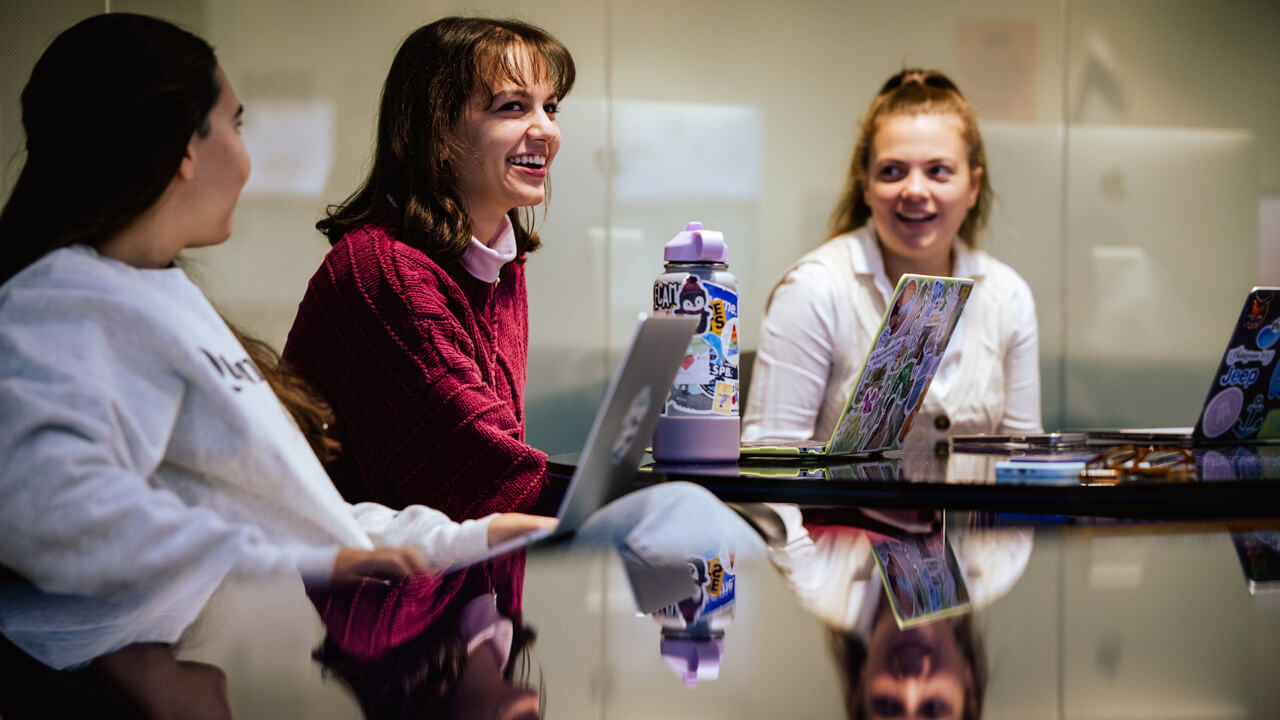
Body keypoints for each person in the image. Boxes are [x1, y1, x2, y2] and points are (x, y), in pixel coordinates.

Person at [0, 12, 551, 700]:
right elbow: (47, 514)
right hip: (82, 683)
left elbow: (299, 512)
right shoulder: (59, 303)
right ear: (183, 149)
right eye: (235, 125)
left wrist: (468, 537)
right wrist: (138, 673)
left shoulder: (161, 295)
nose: (247, 157)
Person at [283, 17, 575, 521]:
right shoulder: (385, 275)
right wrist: (635, 505)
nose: (547, 130)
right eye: (513, 107)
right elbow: (485, 483)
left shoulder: (498, 262)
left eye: (549, 107)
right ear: (438, 133)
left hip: (456, 581)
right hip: (377, 591)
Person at [742, 69, 1042, 450]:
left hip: (976, 513)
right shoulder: (814, 288)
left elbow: (1023, 461)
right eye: (892, 171)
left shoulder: (1008, 295)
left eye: (938, 171)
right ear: (865, 185)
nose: (915, 190)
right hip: (832, 511)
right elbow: (771, 466)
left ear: (973, 187)